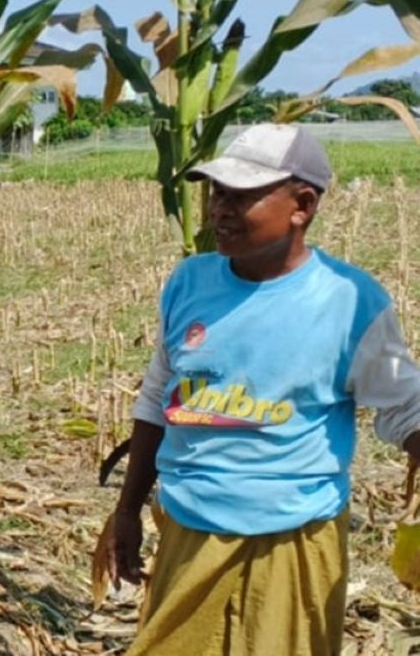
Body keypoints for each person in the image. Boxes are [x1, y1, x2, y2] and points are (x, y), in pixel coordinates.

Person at [106, 124, 420, 655]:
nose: (219, 209)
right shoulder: (189, 283)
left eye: (242, 196)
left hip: (294, 538)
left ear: (302, 204)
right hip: (190, 526)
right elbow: (159, 398)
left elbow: (405, 410)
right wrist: (127, 509)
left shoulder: (350, 302)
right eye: (216, 192)